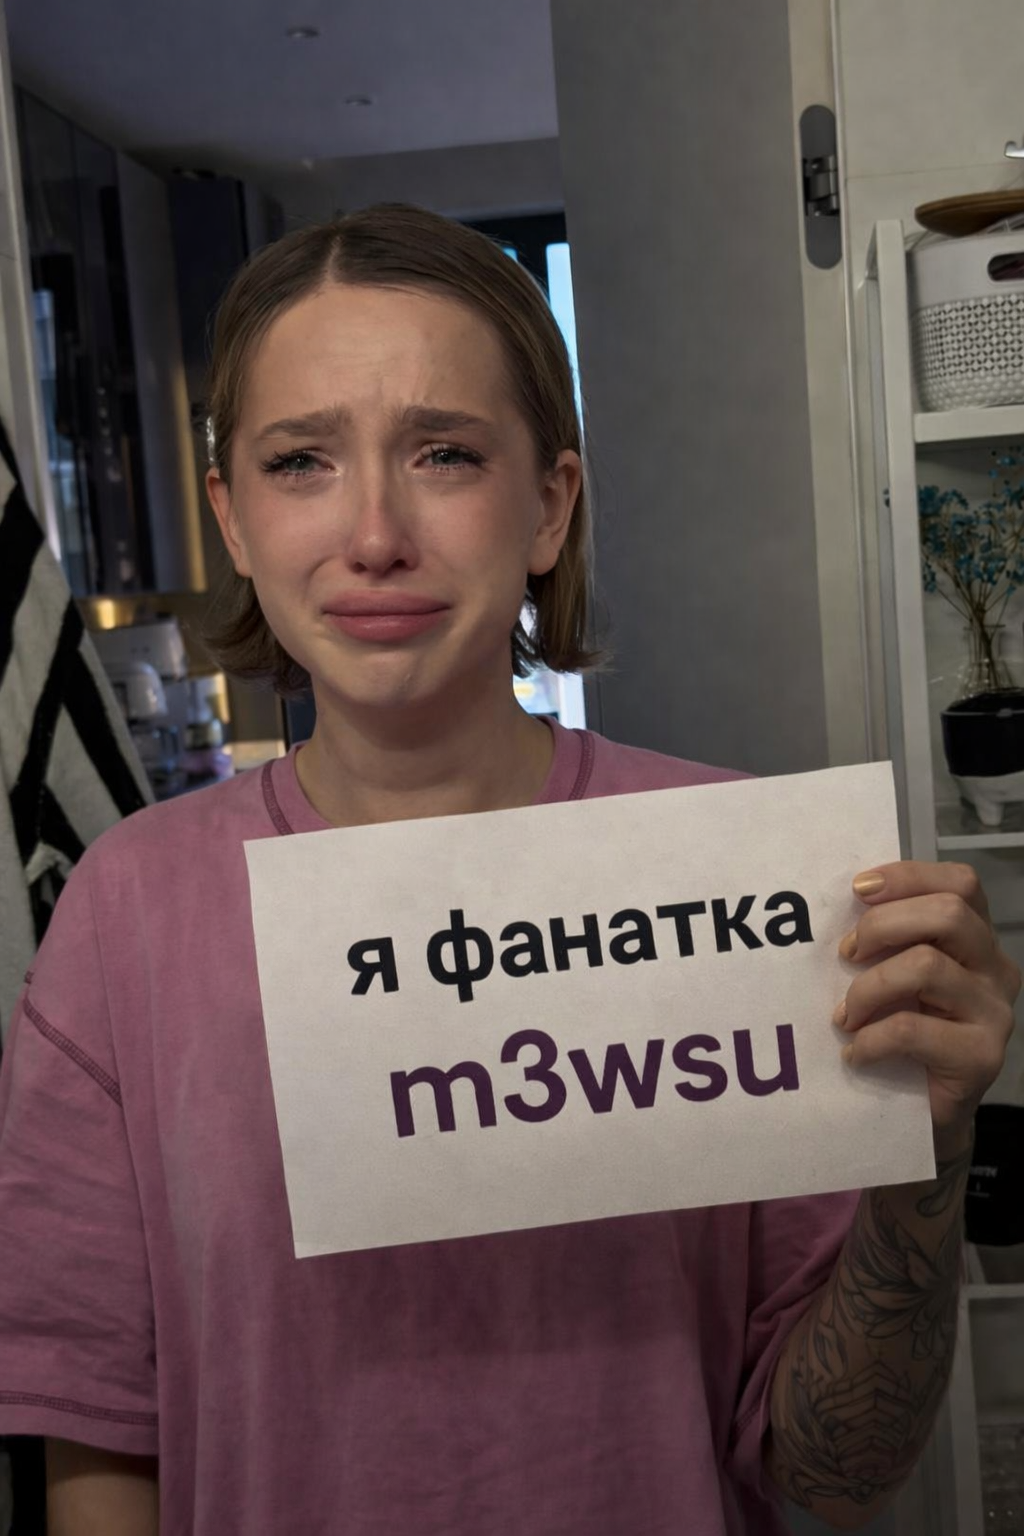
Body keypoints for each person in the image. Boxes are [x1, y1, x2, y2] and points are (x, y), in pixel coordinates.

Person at [0, 204, 1017, 1536]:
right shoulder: (128, 917)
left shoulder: (736, 889)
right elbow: (96, 1448)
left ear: (548, 504)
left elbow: (837, 1470)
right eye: (302, 460)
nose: (375, 533)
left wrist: (924, 1156)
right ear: (232, 520)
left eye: (445, 453)